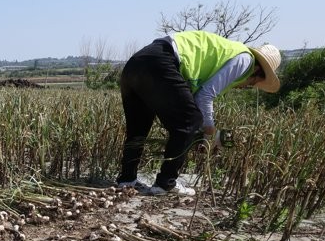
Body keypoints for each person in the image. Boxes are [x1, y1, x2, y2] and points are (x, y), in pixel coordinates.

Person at [116, 30, 281, 196]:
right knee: (190, 121)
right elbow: (205, 96)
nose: (246, 86)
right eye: (254, 83)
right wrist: (209, 132)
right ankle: (165, 184)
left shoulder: (226, 53)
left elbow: (189, 100)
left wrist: (197, 136)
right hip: (162, 62)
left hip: (137, 63)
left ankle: (127, 180)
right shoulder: (245, 60)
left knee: (138, 128)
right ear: (257, 71)